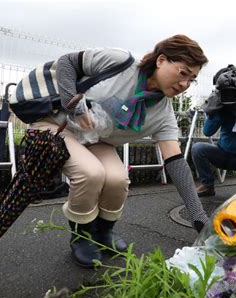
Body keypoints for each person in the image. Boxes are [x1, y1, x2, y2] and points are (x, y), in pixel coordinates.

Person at [30, 35, 209, 268]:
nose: (185, 84)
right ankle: (82, 236)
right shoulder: (120, 63)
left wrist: (198, 216)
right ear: (161, 60)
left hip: (96, 140)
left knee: (118, 178)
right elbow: (67, 62)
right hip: (57, 124)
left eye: (192, 80)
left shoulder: (163, 113)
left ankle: (104, 231)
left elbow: (175, 161)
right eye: (183, 73)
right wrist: (71, 103)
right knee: (91, 173)